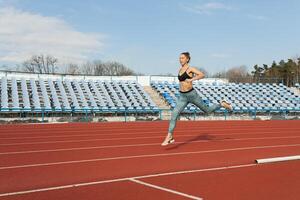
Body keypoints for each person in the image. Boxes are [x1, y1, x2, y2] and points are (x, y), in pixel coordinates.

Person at [161, 52, 233, 146]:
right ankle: (170, 136)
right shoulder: (180, 69)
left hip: (192, 95)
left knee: (207, 110)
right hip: (182, 96)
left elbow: (202, 75)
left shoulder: (190, 68)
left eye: (182, 58)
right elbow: (182, 82)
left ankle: (222, 104)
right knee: (174, 114)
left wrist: (192, 79)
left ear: (187, 59)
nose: (180, 59)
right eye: (179, 58)